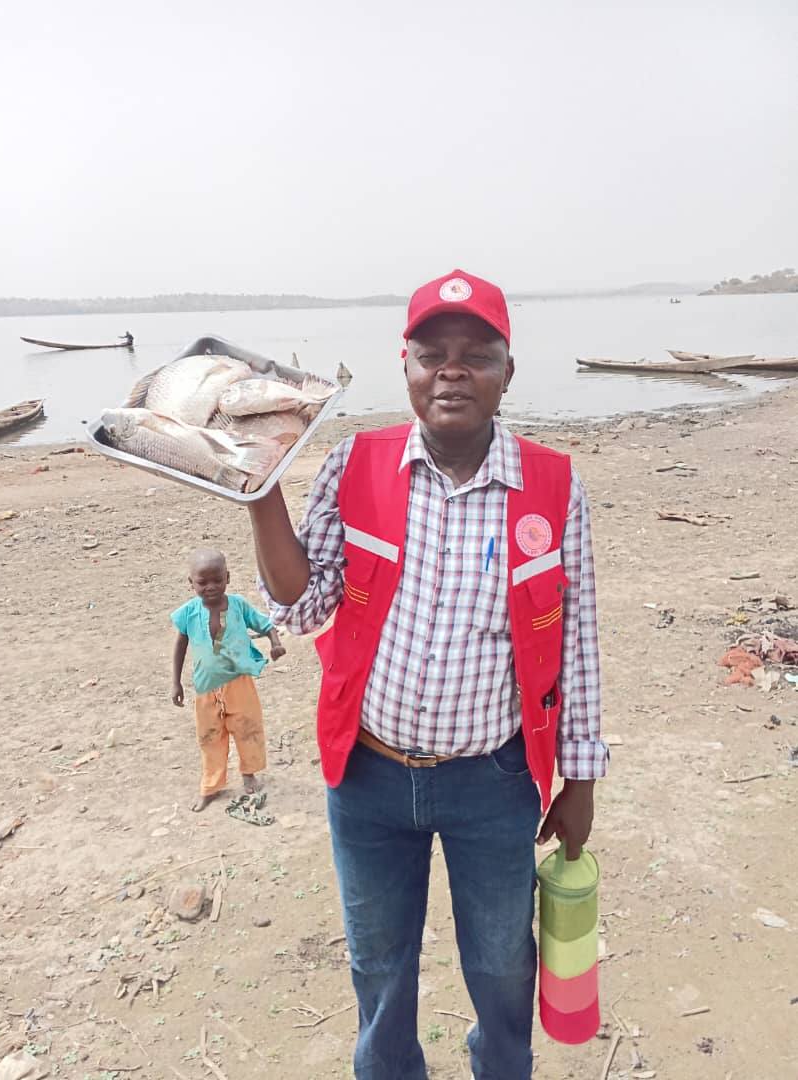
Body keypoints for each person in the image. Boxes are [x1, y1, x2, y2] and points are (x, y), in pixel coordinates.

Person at [248, 269, 608, 1079]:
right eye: (431, 354)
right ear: (404, 368)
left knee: (502, 965)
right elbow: (304, 610)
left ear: (506, 373)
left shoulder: (553, 484)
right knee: (379, 965)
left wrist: (580, 780)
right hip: (368, 776)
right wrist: (259, 489)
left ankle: (501, 1067)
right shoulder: (357, 465)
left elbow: (577, 634)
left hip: (496, 780)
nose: (453, 370)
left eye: (475, 354)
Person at [171, 547, 285, 812]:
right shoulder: (188, 613)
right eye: (202, 582)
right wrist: (175, 682)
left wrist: (275, 644)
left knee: (247, 729)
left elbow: (265, 625)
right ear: (191, 583)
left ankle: (249, 773)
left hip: (239, 683)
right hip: (205, 687)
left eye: (217, 580)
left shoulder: (238, 606)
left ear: (228, 578)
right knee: (210, 738)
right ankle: (211, 786)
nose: (210, 587)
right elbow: (180, 645)